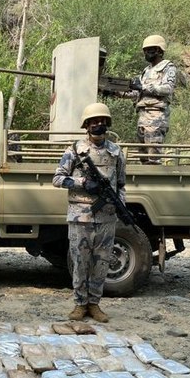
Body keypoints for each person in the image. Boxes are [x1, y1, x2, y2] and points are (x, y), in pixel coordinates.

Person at [52, 102, 127, 322]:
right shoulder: (75, 151)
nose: (99, 125)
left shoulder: (115, 152)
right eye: (94, 121)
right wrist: (82, 182)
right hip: (81, 216)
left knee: (102, 262)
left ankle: (94, 304)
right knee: (80, 261)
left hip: (106, 217)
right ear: (86, 125)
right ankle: (79, 304)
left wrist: (120, 205)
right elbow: (57, 179)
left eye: (102, 121)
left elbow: (121, 184)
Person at [124, 34, 177, 164]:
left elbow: (167, 88)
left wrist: (144, 87)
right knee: (143, 156)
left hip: (156, 116)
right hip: (142, 116)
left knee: (153, 157)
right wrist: (118, 93)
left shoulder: (168, 67)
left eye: (150, 50)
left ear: (159, 50)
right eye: (145, 50)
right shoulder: (146, 71)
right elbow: (138, 94)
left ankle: (154, 182)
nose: (146, 53)